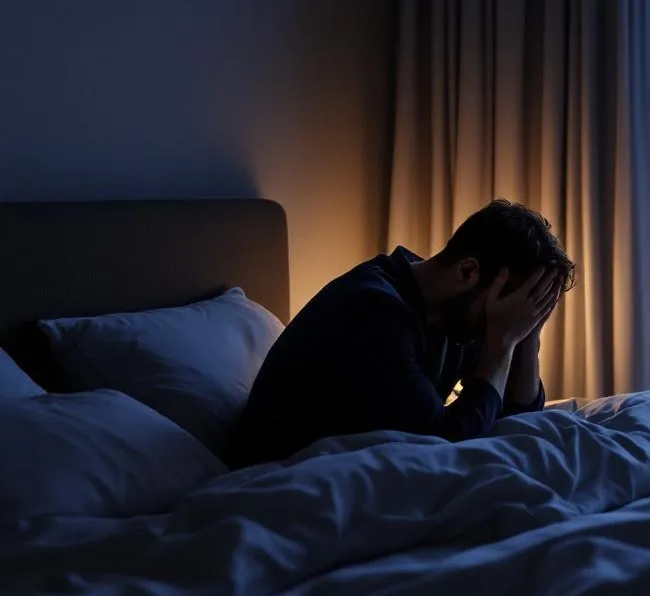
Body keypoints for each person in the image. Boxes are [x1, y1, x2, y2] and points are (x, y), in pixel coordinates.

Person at [228, 199, 576, 467]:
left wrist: (527, 337)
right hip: (284, 474)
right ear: (468, 270)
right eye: (510, 304)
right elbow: (443, 442)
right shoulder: (371, 311)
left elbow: (520, 420)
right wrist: (502, 342)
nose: (508, 319)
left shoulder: (449, 310)